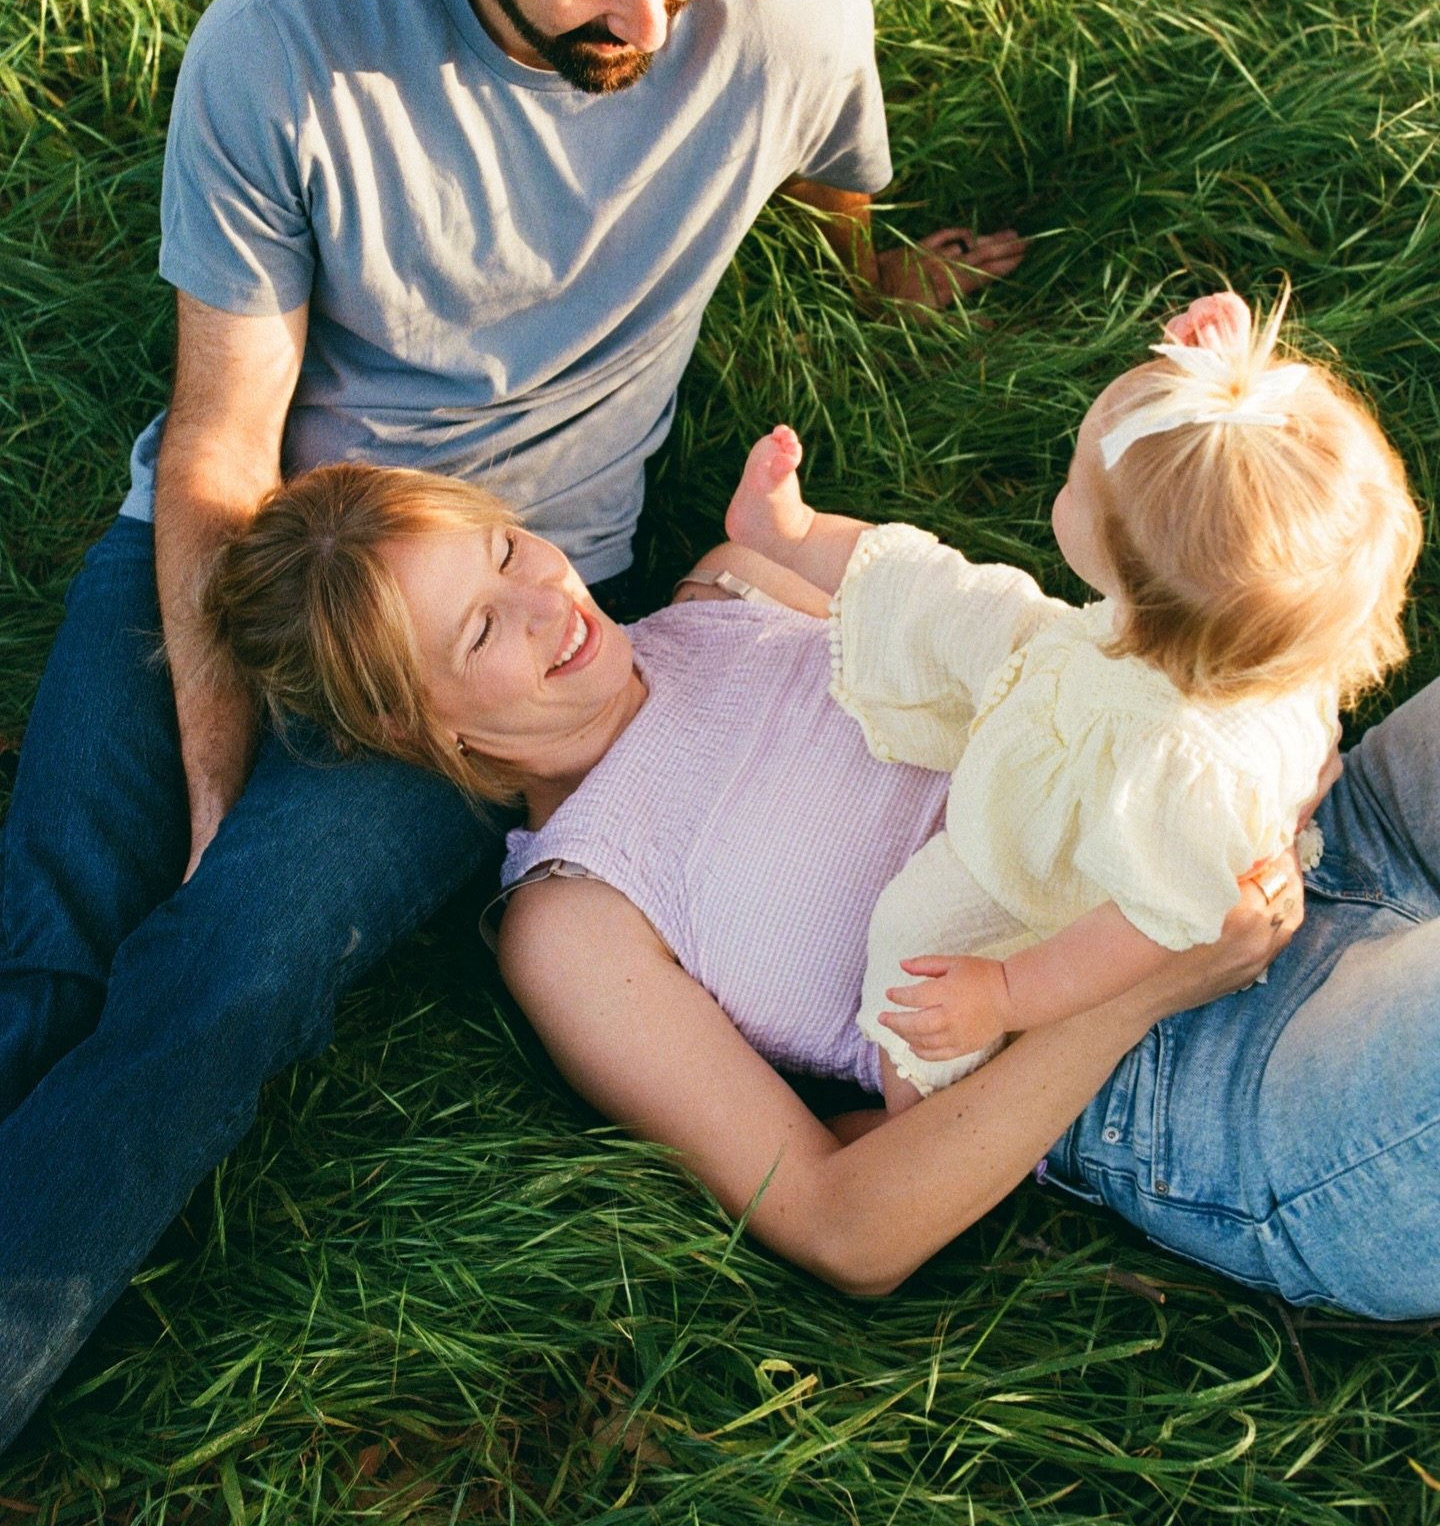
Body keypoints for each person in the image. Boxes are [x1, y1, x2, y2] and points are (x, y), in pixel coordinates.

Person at [0, 0, 1024, 1446]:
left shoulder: (777, 16)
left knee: (224, 976)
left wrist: (880, 274)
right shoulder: (288, 47)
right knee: (58, 934)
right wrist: (219, 771)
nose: (650, 15)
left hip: (501, 614)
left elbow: (830, 163)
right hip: (256, 544)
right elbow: (227, 449)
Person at [202, 461, 1440, 1318]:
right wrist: (1140, 992)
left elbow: (1009, 655)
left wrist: (1217, 731)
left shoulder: (730, 588)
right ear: (419, 726)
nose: (548, 605)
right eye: (480, 633)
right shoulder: (578, 918)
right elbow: (846, 1231)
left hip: (1306, 828)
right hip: (1201, 1068)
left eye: (511, 552)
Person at [723, 292, 1422, 1104]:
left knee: (915, 944)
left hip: (1050, 878)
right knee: (954, 604)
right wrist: (1205, 373)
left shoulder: (1177, 768)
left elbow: (1143, 928)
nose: (1067, 478)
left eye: (1075, 482)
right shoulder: (1258, 619)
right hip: (1094, 693)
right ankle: (792, 534)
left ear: (1133, 588)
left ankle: (914, 1105)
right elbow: (1242, 488)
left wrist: (1006, 992)